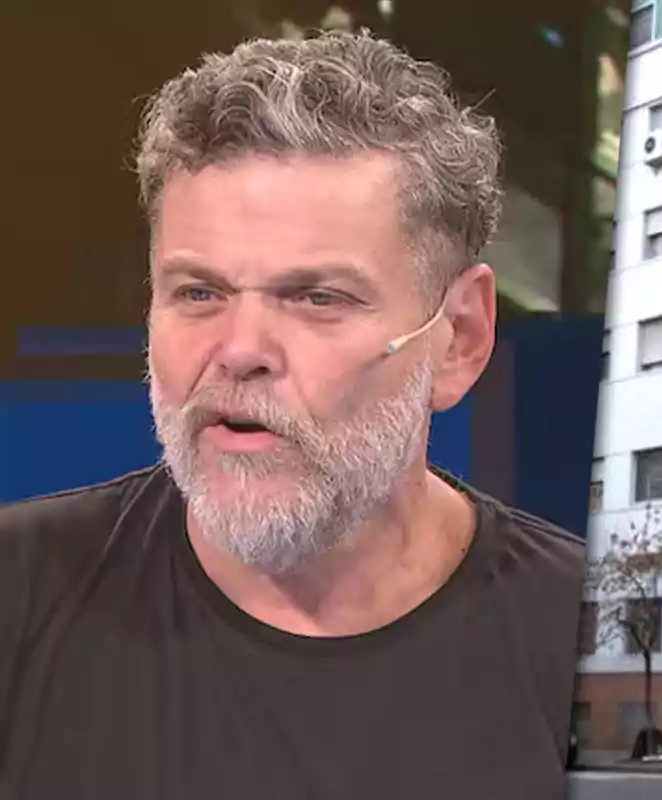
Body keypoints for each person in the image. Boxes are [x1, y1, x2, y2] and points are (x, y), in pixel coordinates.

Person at [0, 31, 585, 800]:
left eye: (318, 298)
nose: (239, 350)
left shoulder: (581, 638)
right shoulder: (20, 597)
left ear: (460, 339)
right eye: (198, 293)